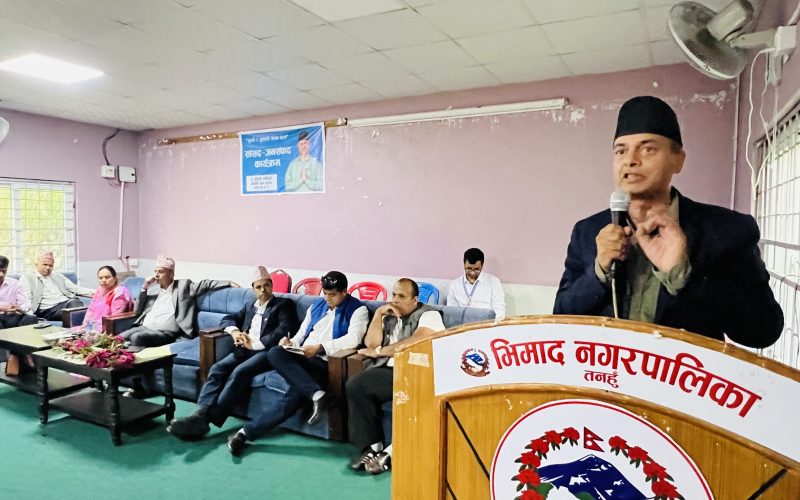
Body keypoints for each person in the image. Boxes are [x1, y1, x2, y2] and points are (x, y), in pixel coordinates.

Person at [553, 95, 783, 349]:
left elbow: (763, 330)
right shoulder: (587, 232)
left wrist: (681, 274)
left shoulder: (726, 231)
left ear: (678, 160)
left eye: (647, 149)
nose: (630, 160)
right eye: (621, 151)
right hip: (603, 373)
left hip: (687, 373)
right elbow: (561, 315)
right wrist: (599, 271)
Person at [218, 271, 369, 456]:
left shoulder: (358, 310)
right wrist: (291, 343)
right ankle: (317, 395)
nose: (328, 298)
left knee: (293, 397)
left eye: (333, 295)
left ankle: (244, 434)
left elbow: (354, 339)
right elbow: (301, 334)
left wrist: (320, 347)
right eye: (325, 293)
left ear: (345, 291)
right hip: (303, 355)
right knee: (275, 352)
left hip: (325, 362)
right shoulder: (317, 306)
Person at [167, 266, 299, 445]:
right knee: (218, 368)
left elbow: (282, 330)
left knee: (239, 372)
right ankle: (200, 412)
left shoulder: (283, 305)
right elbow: (228, 319)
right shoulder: (250, 306)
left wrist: (255, 344)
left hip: (267, 352)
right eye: (258, 287)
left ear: (271, 285)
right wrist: (235, 332)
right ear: (253, 289)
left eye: (267, 285)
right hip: (243, 349)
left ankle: (207, 420)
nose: (263, 290)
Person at [346, 278, 445, 475]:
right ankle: (371, 447)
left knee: (408, 396)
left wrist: (380, 351)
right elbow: (371, 344)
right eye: (393, 295)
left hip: (417, 372)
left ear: (414, 300)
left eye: (402, 296)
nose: (396, 300)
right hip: (390, 370)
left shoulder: (429, 314)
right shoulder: (388, 315)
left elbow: (418, 340)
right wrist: (378, 315)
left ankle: (389, 453)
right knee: (355, 385)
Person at [119, 254, 236, 348]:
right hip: (144, 327)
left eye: (160, 272)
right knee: (117, 339)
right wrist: (144, 287)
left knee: (136, 338)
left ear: (171, 274)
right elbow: (138, 311)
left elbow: (205, 284)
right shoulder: (153, 289)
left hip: (165, 332)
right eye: (155, 271)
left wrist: (228, 283)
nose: (156, 275)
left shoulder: (183, 286)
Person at [20, 251, 93, 321]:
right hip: (48, 309)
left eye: (50, 265)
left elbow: (76, 289)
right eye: (45, 264)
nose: (48, 268)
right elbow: (26, 300)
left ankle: (84, 324)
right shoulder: (28, 277)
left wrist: (97, 292)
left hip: (67, 303)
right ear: (36, 264)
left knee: (76, 304)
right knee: (75, 308)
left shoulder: (58, 276)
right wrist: (31, 317)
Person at [446, 247, 506, 320]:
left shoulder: (493, 282)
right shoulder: (455, 284)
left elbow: (499, 309)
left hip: (485, 323)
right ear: (464, 264)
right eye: (469, 268)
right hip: (462, 324)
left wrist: (492, 324)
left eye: (477, 269)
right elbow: (451, 311)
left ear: (482, 265)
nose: (472, 272)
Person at [81, 265, 133, 332]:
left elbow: (114, 317)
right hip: (92, 327)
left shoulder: (120, 293)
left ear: (115, 278)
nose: (103, 280)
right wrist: (85, 324)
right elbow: (90, 309)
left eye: (107, 277)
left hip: (107, 328)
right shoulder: (100, 290)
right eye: (100, 278)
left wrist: (95, 329)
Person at [0, 255, 37, 329]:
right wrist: (2, 308)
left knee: (31, 319)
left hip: (12, 315)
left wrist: (20, 308)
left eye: (4, 271)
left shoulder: (15, 283)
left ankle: (19, 336)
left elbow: (26, 303)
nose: (1, 274)